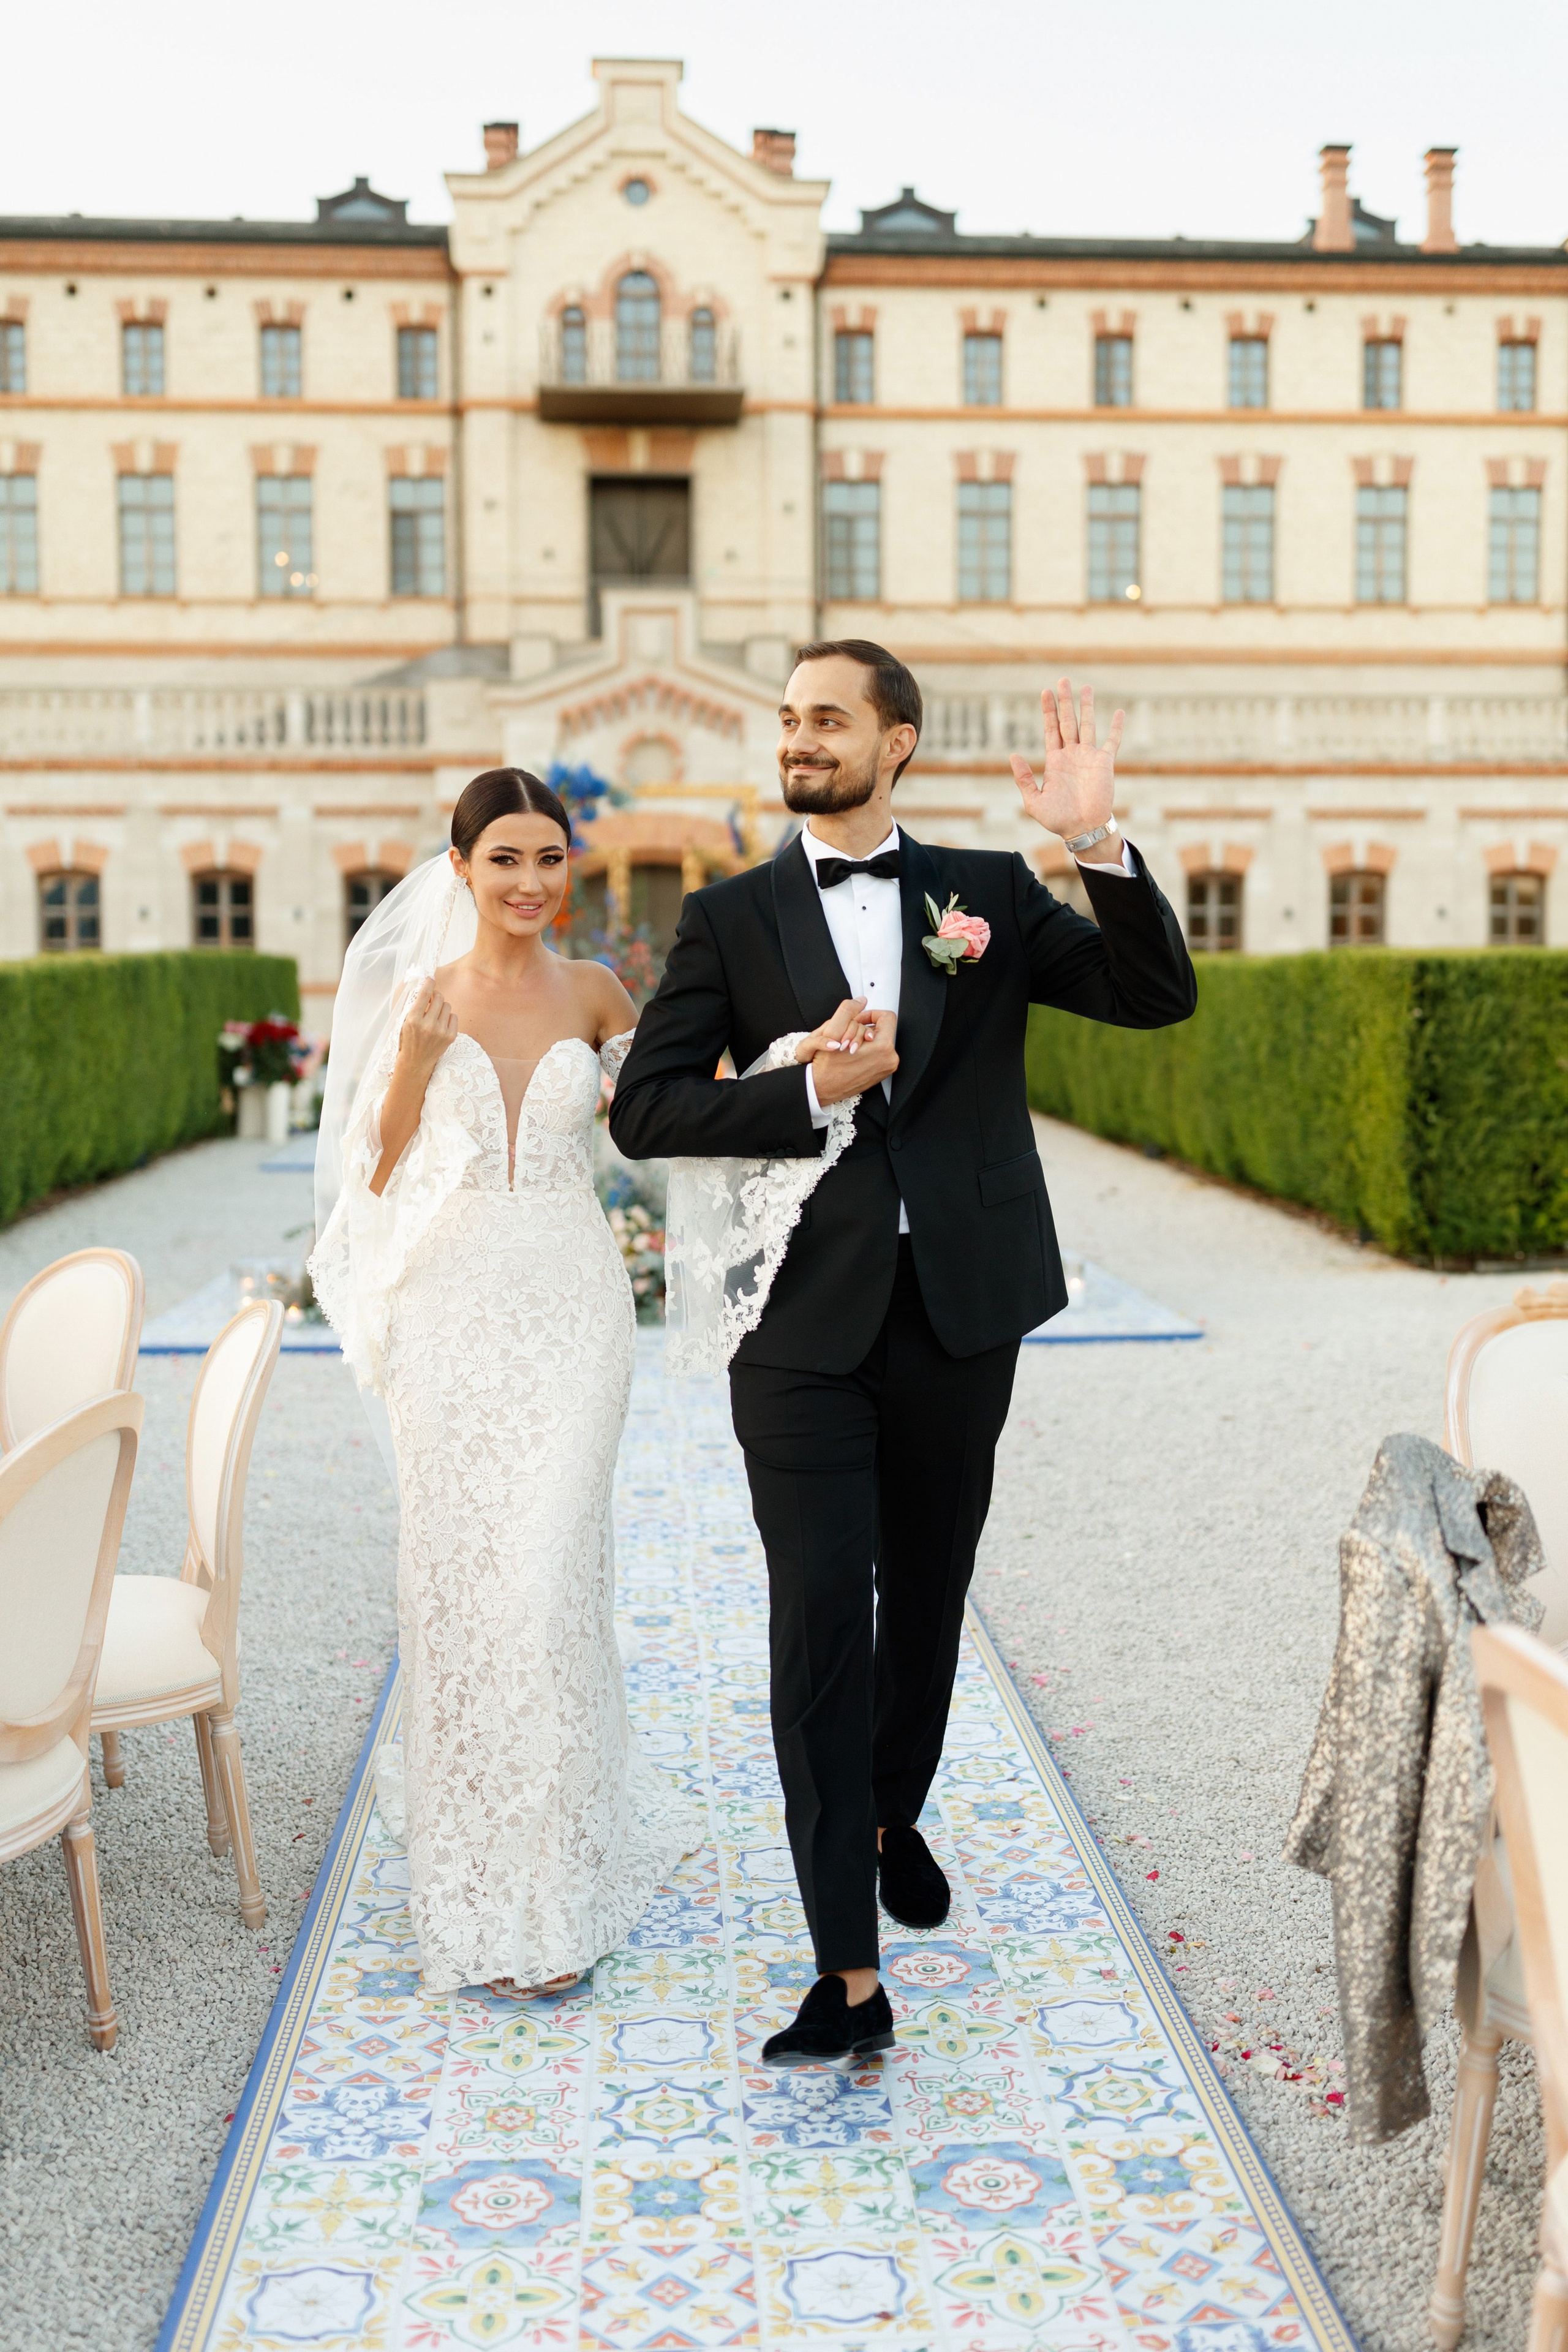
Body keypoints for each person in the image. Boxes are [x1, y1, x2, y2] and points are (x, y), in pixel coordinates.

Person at [610, 642, 1197, 2065]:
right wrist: (805, 1086)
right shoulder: (729, 918)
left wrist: (1094, 843)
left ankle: (888, 1811)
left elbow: (1151, 996)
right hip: (798, 1330)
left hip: (961, 1310)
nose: (799, 739)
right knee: (818, 1619)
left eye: (827, 718)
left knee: (926, 1598)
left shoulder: (984, 894)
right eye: (789, 719)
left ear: (899, 744)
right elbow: (646, 1112)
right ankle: (845, 1973)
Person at [310, 767, 702, 2000]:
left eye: (550, 859)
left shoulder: (596, 991)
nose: (531, 884)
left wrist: (800, 1062)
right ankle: (482, 1879)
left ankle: (562, 1876)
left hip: (572, 1307)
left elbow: (658, 1124)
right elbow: (368, 1179)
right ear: (461, 866)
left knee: (545, 1575)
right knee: (461, 1588)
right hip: (450, 1315)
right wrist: (419, 1068)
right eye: (506, 861)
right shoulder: (411, 996)